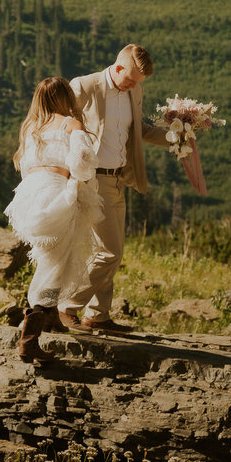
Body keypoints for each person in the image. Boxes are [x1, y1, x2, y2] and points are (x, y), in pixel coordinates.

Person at [58, 44, 169, 333]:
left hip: (120, 178)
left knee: (104, 250)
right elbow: (61, 124)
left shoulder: (135, 90)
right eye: (130, 79)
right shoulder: (84, 86)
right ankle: (65, 306)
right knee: (111, 252)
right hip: (94, 179)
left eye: (138, 83)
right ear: (117, 68)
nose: (133, 86)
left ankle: (98, 315)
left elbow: (140, 130)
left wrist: (176, 136)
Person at [4, 77, 102, 363]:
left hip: (30, 194)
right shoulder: (70, 123)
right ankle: (29, 339)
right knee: (55, 261)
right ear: (64, 98)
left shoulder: (31, 127)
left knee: (56, 255)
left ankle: (50, 318)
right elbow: (83, 158)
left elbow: (24, 166)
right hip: (57, 192)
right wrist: (80, 179)